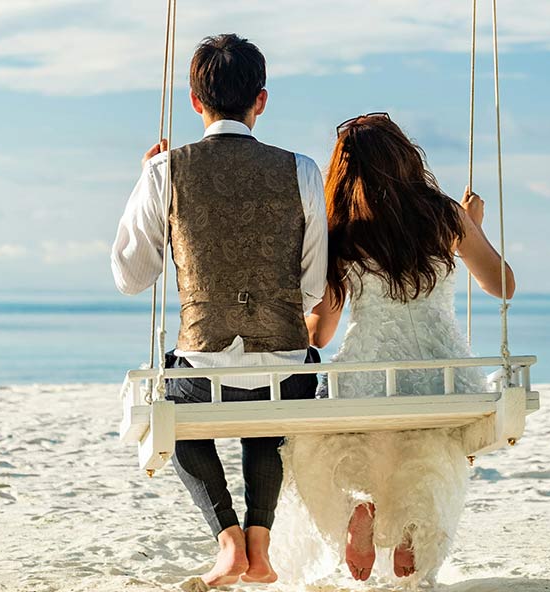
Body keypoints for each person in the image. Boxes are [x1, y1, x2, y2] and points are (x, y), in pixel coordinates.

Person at [110, 33, 327, 587]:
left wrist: (147, 181)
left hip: (203, 373)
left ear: (193, 100)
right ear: (262, 99)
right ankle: (260, 542)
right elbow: (313, 287)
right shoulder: (301, 170)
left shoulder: (166, 171)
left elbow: (131, 278)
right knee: (275, 392)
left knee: (171, 403)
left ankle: (228, 542)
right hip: (286, 370)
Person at [282, 113, 516, 584]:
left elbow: (321, 334)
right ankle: (412, 532)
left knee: (309, 448)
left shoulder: (342, 232)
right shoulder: (445, 215)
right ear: (407, 159)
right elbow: (503, 284)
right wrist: (472, 229)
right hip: (444, 373)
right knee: (437, 448)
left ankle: (355, 507)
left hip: (368, 371)